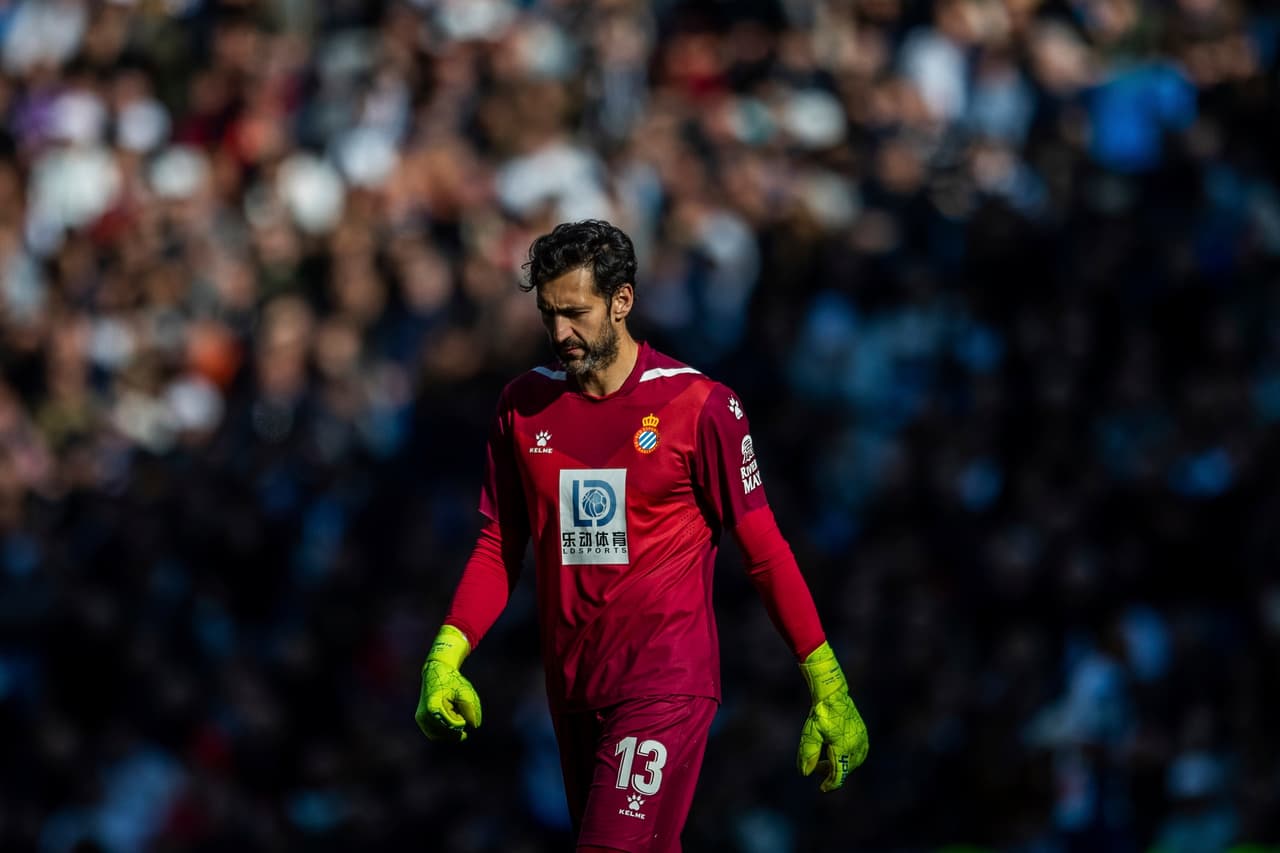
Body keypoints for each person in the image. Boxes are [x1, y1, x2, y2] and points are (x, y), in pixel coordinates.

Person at [414, 220, 869, 852]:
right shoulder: (521, 407)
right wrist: (447, 654)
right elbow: (498, 546)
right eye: (548, 315)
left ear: (622, 300)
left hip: (664, 682)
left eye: (575, 313)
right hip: (572, 689)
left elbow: (763, 550)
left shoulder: (700, 407)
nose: (560, 334)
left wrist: (826, 679)